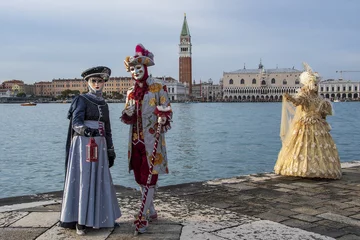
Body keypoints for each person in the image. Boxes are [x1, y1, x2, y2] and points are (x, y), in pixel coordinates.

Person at [60, 66, 121, 235]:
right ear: (87, 82)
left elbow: (107, 129)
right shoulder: (81, 99)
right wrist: (87, 131)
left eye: (100, 81)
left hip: (100, 145)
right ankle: (80, 220)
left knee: (101, 180)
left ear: (104, 83)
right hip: (83, 145)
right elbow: (76, 123)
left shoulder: (105, 104)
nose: (97, 83)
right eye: (93, 81)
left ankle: (103, 217)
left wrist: (110, 149)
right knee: (84, 180)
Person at [121, 44, 172, 233]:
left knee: (150, 177)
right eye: (132, 69)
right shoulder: (130, 92)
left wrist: (163, 116)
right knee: (140, 177)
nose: (135, 71)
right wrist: (128, 111)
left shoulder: (159, 87)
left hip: (152, 140)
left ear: (145, 67)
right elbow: (126, 116)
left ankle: (142, 214)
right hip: (135, 141)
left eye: (138, 68)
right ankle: (151, 209)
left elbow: (166, 108)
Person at [274, 62, 341, 179]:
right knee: (310, 147)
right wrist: (290, 97)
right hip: (312, 125)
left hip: (311, 125)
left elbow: (301, 103)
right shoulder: (311, 96)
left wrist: (288, 97)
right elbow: (300, 102)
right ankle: (311, 168)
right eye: (314, 83)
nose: (315, 85)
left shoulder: (312, 96)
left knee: (309, 147)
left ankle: (310, 168)